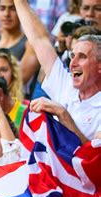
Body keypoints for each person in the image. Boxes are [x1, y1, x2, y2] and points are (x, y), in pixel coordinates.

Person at [14, 0, 101, 142]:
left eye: (82, 57)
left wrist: (63, 115)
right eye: (72, 56)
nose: (72, 63)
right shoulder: (65, 84)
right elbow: (39, 39)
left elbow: (93, 160)